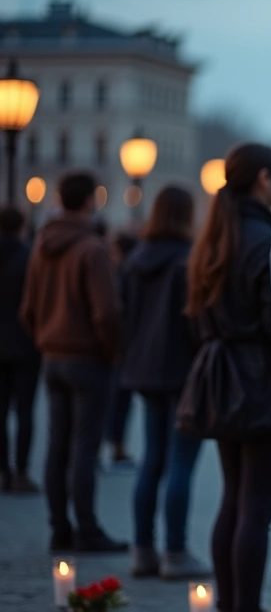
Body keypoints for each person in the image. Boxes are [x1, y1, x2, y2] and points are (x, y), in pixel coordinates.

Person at [186, 143, 271, 612]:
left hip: (220, 374)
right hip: (260, 378)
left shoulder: (214, 234)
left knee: (232, 499)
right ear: (262, 179)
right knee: (257, 509)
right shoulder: (263, 237)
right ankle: (246, 606)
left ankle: (230, 604)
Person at [20, 172, 128, 553]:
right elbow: (108, 312)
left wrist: (45, 338)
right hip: (87, 358)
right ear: (89, 201)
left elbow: (28, 307)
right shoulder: (92, 248)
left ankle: (59, 528)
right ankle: (87, 528)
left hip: (53, 355)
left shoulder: (41, 245)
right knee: (84, 447)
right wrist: (110, 351)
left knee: (57, 445)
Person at [120, 186, 208, 579]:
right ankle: (175, 550)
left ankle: (142, 548)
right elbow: (195, 321)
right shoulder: (188, 262)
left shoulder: (135, 259)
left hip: (144, 369)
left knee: (152, 458)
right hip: (182, 370)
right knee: (181, 463)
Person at [0, 206, 41, 493]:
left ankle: (3, 470)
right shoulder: (29, 259)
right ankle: (21, 470)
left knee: (0, 411)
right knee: (25, 411)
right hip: (25, 344)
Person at [106, 232, 139, 471]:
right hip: (129, 347)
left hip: (119, 346)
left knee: (115, 400)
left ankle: (114, 446)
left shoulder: (123, 272)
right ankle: (115, 446)